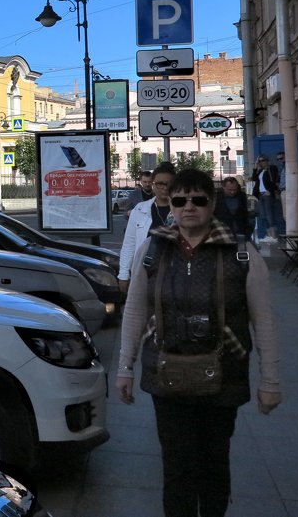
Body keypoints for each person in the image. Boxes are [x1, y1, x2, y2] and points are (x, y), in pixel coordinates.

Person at [116, 168, 281, 517]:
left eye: (198, 199)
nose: (189, 206)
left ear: (212, 202)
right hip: (166, 372)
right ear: (170, 205)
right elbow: (134, 313)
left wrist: (270, 381)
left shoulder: (240, 252)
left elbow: (263, 321)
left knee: (213, 462)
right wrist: (124, 368)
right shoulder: (152, 249)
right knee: (176, 466)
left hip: (223, 375)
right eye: (180, 200)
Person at [118, 162, 176, 295]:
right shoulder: (139, 209)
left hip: (174, 274)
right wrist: (123, 275)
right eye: (160, 184)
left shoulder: (183, 210)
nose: (164, 188)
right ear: (153, 184)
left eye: (169, 184)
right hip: (145, 273)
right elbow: (129, 244)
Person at [250, 155, 283, 240]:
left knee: (269, 215)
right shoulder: (260, 171)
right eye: (260, 161)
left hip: (268, 195)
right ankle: (269, 236)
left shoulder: (271, 168)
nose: (262, 162)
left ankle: (274, 236)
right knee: (263, 215)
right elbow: (254, 178)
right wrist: (255, 167)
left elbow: (274, 180)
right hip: (260, 195)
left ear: (267, 161)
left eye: (263, 160)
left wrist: (270, 191)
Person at [214, 176, 253, 243]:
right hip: (222, 232)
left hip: (240, 231)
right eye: (230, 190)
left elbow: (245, 214)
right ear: (223, 187)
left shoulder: (242, 196)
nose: (232, 192)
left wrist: (247, 233)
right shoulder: (216, 197)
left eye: (235, 189)